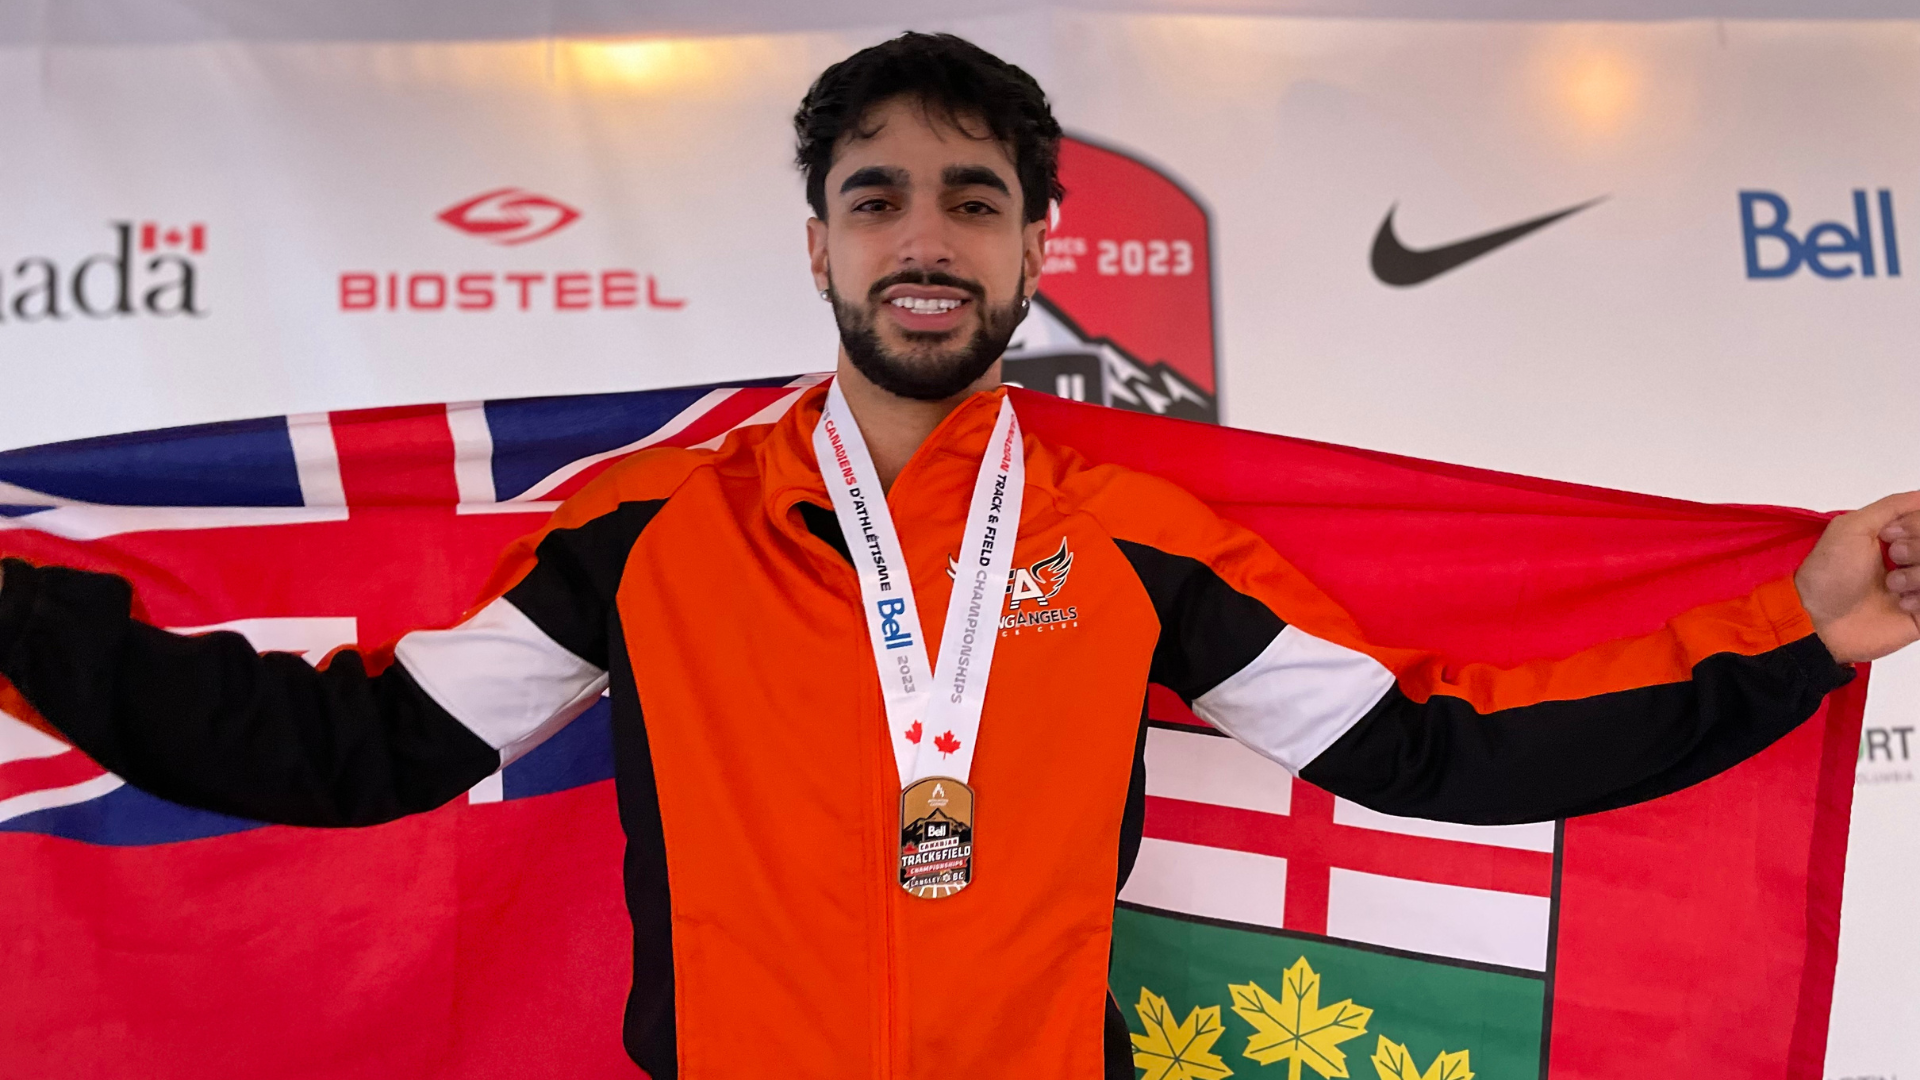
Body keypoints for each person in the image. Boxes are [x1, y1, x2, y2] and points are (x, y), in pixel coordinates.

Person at [1, 31, 1917, 1080]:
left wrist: (1804, 634)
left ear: (1032, 251)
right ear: (821, 248)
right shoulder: (650, 537)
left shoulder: (1144, 544)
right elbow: (345, 757)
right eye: (879, 195)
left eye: (974, 198)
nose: (927, 233)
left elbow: (1437, 763)